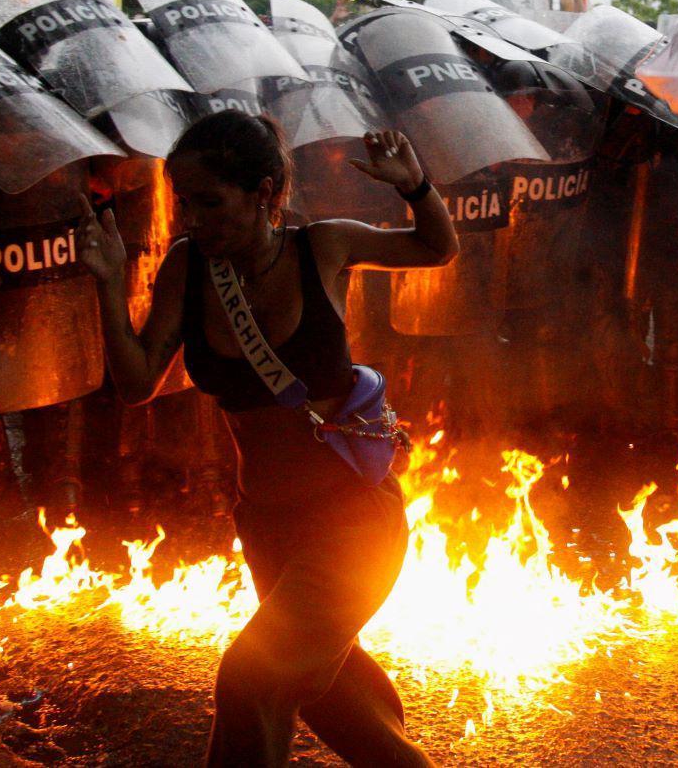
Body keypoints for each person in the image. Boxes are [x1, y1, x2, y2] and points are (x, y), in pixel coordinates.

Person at [81, 113, 450, 768]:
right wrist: (109, 285)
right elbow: (136, 381)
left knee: (252, 675)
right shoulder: (187, 267)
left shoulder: (324, 247)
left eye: (210, 202)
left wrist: (415, 185)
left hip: (354, 523)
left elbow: (434, 248)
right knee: (329, 694)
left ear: (264, 193)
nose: (193, 219)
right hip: (268, 527)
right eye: (185, 203)